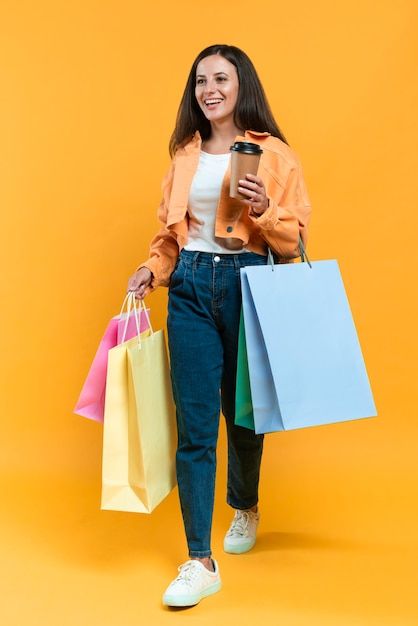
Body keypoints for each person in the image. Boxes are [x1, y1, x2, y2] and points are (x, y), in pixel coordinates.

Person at [127, 44, 312, 607]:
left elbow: (295, 241)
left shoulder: (272, 153)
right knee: (196, 424)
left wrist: (263, 210)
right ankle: (198, 560)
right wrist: (152, 268)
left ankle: (246, 504)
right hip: (188, 287)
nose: (209, 89)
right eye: (201, 80)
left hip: (248, 283)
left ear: (241, 85)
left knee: (244, 416)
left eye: (221, 79)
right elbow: (171, 235)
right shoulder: (184, 153)